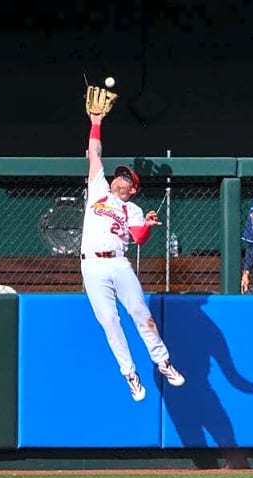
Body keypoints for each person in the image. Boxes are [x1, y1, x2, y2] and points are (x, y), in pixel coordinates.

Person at [81, 108, 184, 402]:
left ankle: (162, 361)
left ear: (133, 189)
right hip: (91, 265)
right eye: (120, 176)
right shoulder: (99, 189)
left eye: (127, 179)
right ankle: (130, 374)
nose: (120, 179)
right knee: (109, 322)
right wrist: (96, 123)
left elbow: (138, 237)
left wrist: (148, 226)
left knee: (140, 313)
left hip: (118, 261)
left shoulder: (134, 209)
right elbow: (94, 153)